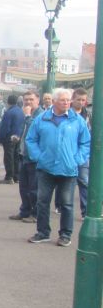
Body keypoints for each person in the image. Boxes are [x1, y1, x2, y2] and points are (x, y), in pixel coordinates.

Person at [25, 88, 91, 246]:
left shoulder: (77, 120)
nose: (67, 102)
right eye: (63, 100)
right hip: (46, 169)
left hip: (68, 169)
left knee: (67, 204)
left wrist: (77, 160)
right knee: (42, 202)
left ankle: (65, 235)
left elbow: (85, 142)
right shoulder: (42, 119)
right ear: (54, 101)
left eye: (68, 100)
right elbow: (31, 139)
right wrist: (38, 157)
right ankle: (42, 232)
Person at [9, 91, 42, 223]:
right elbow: (25, 131)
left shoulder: (41, 115)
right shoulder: (26, 114)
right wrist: (18, 137)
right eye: (26, 100)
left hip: (34, 157)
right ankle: (24, 211)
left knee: (34, 188)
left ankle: (35, 214)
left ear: (37, 100)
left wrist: (27, 116)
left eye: (31, 99)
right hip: (23, 155)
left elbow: (36, 129)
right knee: (23, 187)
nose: (28, 102)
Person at [71, 87, 91, 218]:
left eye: (83, 100)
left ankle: (85, 211)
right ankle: (63, 206)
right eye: (78, 99)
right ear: (73, 100)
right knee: (67, 183)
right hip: (69, 153)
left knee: (84, 181)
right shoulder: (67, 114)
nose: (81, 102)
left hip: (83, 154)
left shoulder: (89, 115)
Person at [0, 94, 24, 184]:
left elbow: (5, 127)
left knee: (8, 158)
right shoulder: (21, 111)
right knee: (16, 157)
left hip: (9, 138)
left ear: (8, 102)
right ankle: (17, 176)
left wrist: (0, 138)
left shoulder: (9, 112)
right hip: (18, 137)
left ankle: (9, 177)